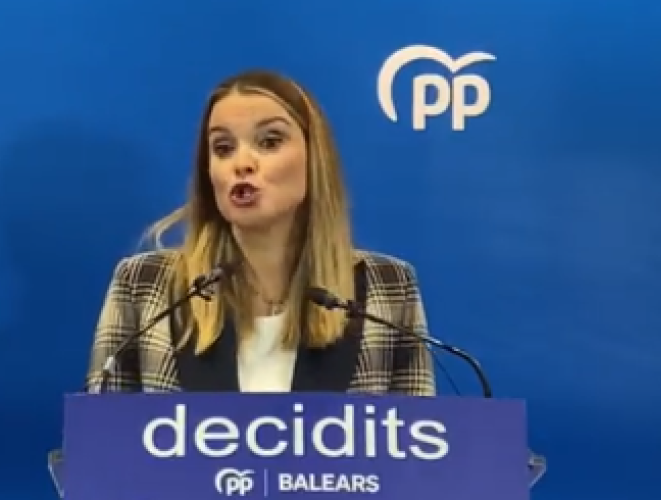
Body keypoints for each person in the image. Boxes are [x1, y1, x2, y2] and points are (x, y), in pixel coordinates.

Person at [84, 69, 435, 396]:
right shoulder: (144, 286)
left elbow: (418, 439)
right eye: (223, 148)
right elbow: (104, 435)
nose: (242, 164)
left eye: (269, 142)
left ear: (315, 159)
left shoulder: (389, 288)